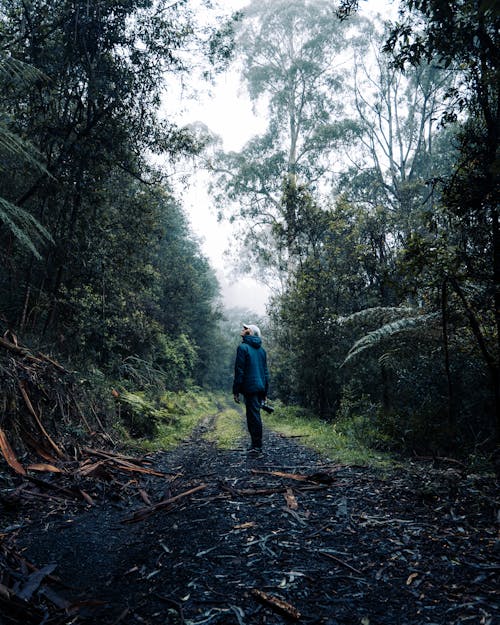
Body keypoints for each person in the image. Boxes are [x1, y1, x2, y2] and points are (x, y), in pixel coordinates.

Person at [232, 323, 270, 453]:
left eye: (245, 328)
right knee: (254, 414)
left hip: (250, 387)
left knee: (253, 416)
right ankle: (256, 444)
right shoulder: (262, 351)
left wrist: (236, 391)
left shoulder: (242, 348)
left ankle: (256, 446)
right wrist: (265, 391)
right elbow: (265, 373)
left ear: (251, 333)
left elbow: (239, 371)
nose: (243, 329)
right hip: (259, 387)